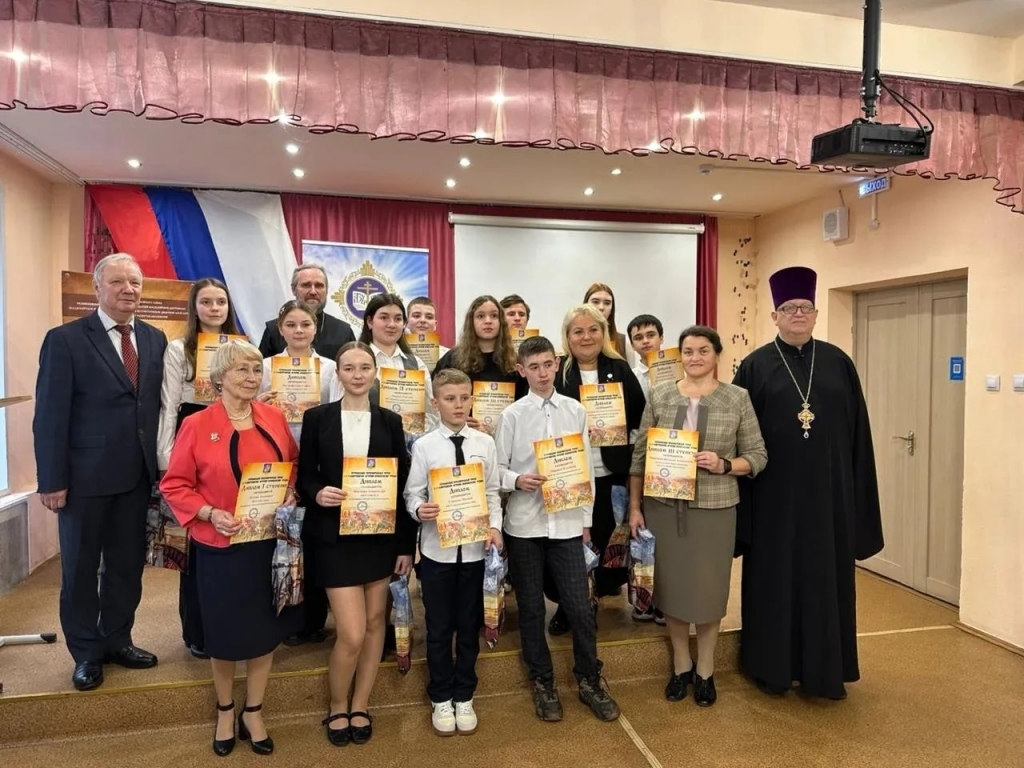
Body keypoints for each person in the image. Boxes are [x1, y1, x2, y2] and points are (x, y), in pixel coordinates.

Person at [732, 266, 883, 701]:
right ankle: (771, 668)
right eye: (788, 308)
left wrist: (858, 501)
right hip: (773, 500)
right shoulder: (755, 366)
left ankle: (824, 672)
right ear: (774, 316)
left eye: (804, 307)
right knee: (774, 581)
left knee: (824, 581)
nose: (797, 314)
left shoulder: (839, 364)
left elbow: (858, 437)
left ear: (815, 314)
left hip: (829, 499)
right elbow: (738, 437)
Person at [33, 252, 167, 692]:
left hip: (137, 477)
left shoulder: (155, 339)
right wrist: (52, 480)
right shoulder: (65, 339)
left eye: (135, 283)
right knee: (80, 569)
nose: (129, 290)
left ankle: (117, 640)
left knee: (126, 567)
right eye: (118, 282)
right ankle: (86, 653)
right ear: (97, 288)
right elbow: (50, 415)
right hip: (83, 480)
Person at [161, 339, 300, 756]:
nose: (251, 377)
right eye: (242, 369)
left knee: (264, 631)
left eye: (256, 370)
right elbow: (174, 484)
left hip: (266, 544)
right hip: (220, 544)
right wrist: (208, 512)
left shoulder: (274, 417)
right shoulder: (197, 424)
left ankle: (253, 710)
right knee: (223, 633)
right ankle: (225, 709)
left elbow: (291, 465)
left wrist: (290, 491)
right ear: (219, 376)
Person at [628, 326, 767, 707]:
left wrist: (724, 464)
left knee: (708, 591)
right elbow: (640, 456)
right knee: (673, 590)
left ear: (716, 355)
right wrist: (635, 507)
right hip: (663, 507)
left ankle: (706, 668)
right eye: (688, 351)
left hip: (714, 510)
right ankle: (681, 664)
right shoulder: (660, 394)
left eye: (703, 350)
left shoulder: (737, 398)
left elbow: (758, 455)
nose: (695, 358)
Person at [494, 335, 620, 723]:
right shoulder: (512, 415)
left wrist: (585, 522)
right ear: (522, 370)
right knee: (532, 609)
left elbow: (586, 470)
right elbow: (495, 470)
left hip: (567, 524)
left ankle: (589, 678)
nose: (542, 373)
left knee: (580, 608)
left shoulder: (575, 410)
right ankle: (543, 681)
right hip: (525, 525)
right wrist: (517, 480)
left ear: (557, 363)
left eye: (548, 364)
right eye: (533, 367)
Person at [297, 341, 415, 747]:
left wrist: (405, 545)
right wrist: (317, 492)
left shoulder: (390, 421)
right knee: (351, 632)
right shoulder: (317, 418)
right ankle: (336, 705)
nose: (358, 374)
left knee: (375, 624)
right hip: (334, 536)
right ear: (338, 373)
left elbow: (401, 485)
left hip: (379, 537)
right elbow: (305, 475)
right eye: (349, 368)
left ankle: (360, 703)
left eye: (365, 367)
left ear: (375, 373)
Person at [404, 369, 503, 737]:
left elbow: (491, 491)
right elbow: (412, 492)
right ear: (436, 403)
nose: (458, 405)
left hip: (475, 551)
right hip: (437, 553)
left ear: (472, 399)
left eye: (464, 398)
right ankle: (441, 694)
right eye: (450, 399)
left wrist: (495, 527)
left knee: (468, 624)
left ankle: (465, 693)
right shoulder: (425, 446)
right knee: (439, 626)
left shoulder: (485, 443)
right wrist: (419, 509)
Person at [158, 277, 242, 660]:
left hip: (233, 434)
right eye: (206, 302)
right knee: (196, 539)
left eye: (220, 302)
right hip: (192, 433)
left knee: (230, 534)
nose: (214, 308)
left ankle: (231, 626)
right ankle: (197, 631)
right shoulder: (179, 349)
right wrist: (166, 458)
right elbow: (169, 405)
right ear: (194, 307)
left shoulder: (241, 347)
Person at [550, 304, 646, 635]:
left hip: (610, 473)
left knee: (605, 540)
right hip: (568, 474)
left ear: (603, 333)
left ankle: (593, 599)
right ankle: (567, 604)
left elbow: (639, 417)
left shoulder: (619, 368)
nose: (586, 337)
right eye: (578, 331)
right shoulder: (559, 371)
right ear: (567, 336)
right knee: (569, 543)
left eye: (593, 329)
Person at [258, 299, 340, 646]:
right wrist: (261, 405)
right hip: (276, 460)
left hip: (315, 463)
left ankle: (313, 619)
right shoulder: (265, 367)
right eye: (291, 325)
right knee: (279, 539)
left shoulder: (330, 368)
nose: (299, 331)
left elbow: (337, 415)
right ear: (280, 329)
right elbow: (248, 411)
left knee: (312, 540)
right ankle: (282, 619)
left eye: (305, 324)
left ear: (315, 328)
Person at [353, 293, 439, 434]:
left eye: (398, 319)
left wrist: (415, 427)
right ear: (369, 322)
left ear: (404, 323)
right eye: (384, 317)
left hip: (408, 443)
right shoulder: (353, 360)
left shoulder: (417, 364)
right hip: (365, 439)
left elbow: (432, 414)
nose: (392, 324)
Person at [433, 294, 529, 415]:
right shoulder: (452, 359)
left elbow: (524, 404)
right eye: (480, 316)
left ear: (501, 322)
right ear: (471, 322)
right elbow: (438, 398)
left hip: (505, 426)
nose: (488, 321)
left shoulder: (515, 362)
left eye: (494, 316)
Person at [258, 263, 355, 363]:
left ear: (326, 290)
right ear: (293, 289)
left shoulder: (343, 331)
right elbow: (260, 369)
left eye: (319, 286)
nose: (313, 291)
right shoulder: (273, 330)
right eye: (306, 285)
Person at [583, 283, 629, 361]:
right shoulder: (575, 339)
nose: (601, 307)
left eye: (607, 303)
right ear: (585, 306)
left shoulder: (624, 342)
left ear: (611, 310)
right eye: (595, 302)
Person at [626, 314, 664, 401]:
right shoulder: (629, 378)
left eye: (650, 335)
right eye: (638, 338)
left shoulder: (680, 373)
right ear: (632, 345)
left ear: (661, 338)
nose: (645, 341)